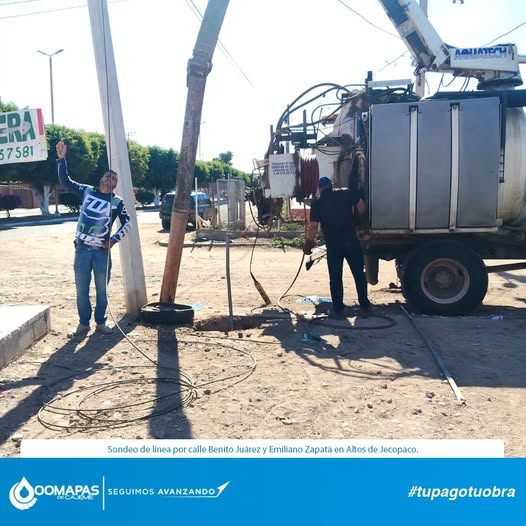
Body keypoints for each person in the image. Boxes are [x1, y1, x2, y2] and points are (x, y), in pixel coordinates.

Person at [56, 141, 131, 336]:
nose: (109, 179)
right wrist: (61, 160)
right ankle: (83, 324)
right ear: (101, 179)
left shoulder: (117, 202)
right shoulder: (87, 191)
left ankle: (101, 322)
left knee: (101, 290)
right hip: (81, 251)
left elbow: (127, 223)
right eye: (107, 176)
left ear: (115, 185)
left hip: (101, 254)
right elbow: (66, 182)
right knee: (81, 290)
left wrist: (113, 240)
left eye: (113, 178)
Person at [303, 176, 370, 318]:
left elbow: (313, 225)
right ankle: (365, 306)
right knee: (359, 274)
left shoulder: (317, 202)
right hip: (351, 241)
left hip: (333, 244)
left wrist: (309, 243)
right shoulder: (345, 192)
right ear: (331, 185)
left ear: (320, 188)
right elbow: (360, 203)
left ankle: (339, 309)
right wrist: (362, 222)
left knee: (335, 277)